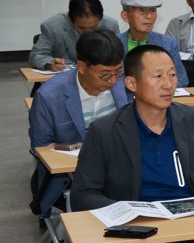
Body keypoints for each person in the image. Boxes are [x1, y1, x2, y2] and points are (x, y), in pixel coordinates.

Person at [72, 45, 194, 210]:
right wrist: (128, 212)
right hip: (137, 223)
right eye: (158, 76)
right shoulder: (104, 131)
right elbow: (83, 195)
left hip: (192, 217)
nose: (168, 84)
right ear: (131, 83)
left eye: (172, 75)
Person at [28, 29, 130, 216]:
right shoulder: (49, 96)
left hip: (123, 169)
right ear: (82, 67)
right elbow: (41, 148)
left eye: (118, 72)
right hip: (75, 177)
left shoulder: (124, 85)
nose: (113, 80)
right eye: (105, 74)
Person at [29, 0, 119, 70]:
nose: (88, 32)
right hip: (66, 80)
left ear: (100, 19)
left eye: (93, 27)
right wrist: (50, 64)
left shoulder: (110, 25)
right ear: (70, 19)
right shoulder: (52, 27)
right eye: (82, 28)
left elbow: (118, 56)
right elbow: (36, 55)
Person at [118, 0, 187, 81]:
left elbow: (181, 80)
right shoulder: (113, 44)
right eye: (142, 11)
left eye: (153, 11)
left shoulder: (168, 44)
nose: (149, 16)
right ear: (125, 16)